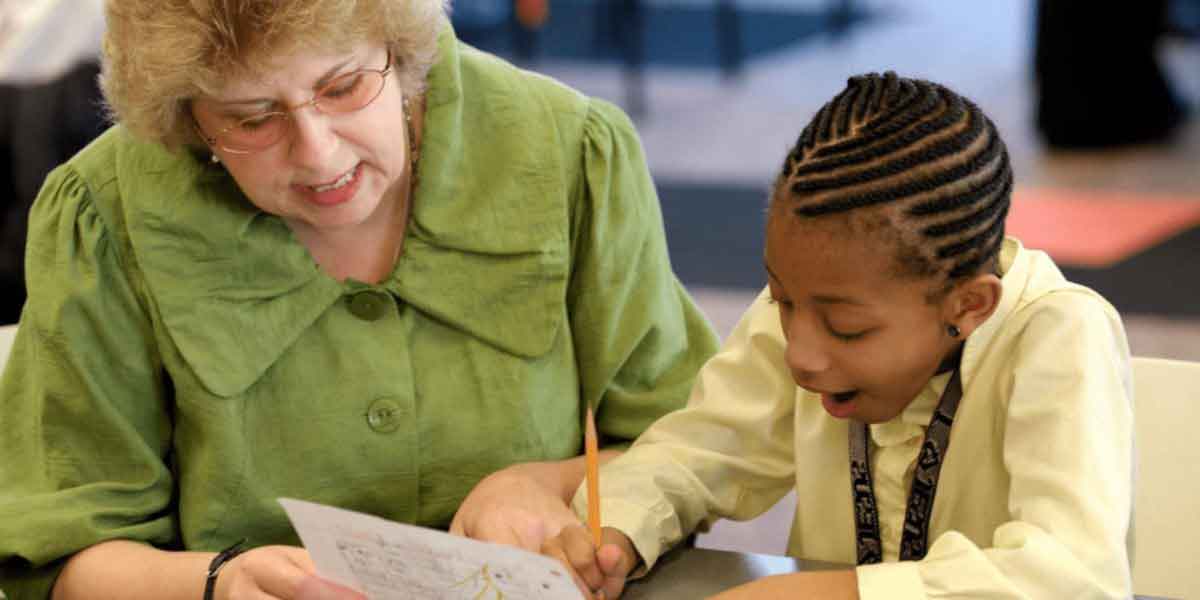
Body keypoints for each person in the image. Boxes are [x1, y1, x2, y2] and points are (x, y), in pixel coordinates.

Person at [0, 0, 720, 598]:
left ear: (400, 49)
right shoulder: (107, 213)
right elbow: (62, 554)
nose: (317, 153)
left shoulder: (566, 150)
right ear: (190, 121)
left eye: (343, 87)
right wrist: (214, 583)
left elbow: (696, 443)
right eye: (253, 119)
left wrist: (543, 483)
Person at [543, 72, 1134, 599]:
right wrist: (615, 525)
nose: (800, 353)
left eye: (848, 330)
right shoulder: (814, 301)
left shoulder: (1060, 334)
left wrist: (833, 592)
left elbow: (1073, 575)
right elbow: (698, 451)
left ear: (969, 305)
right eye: (781, 302)